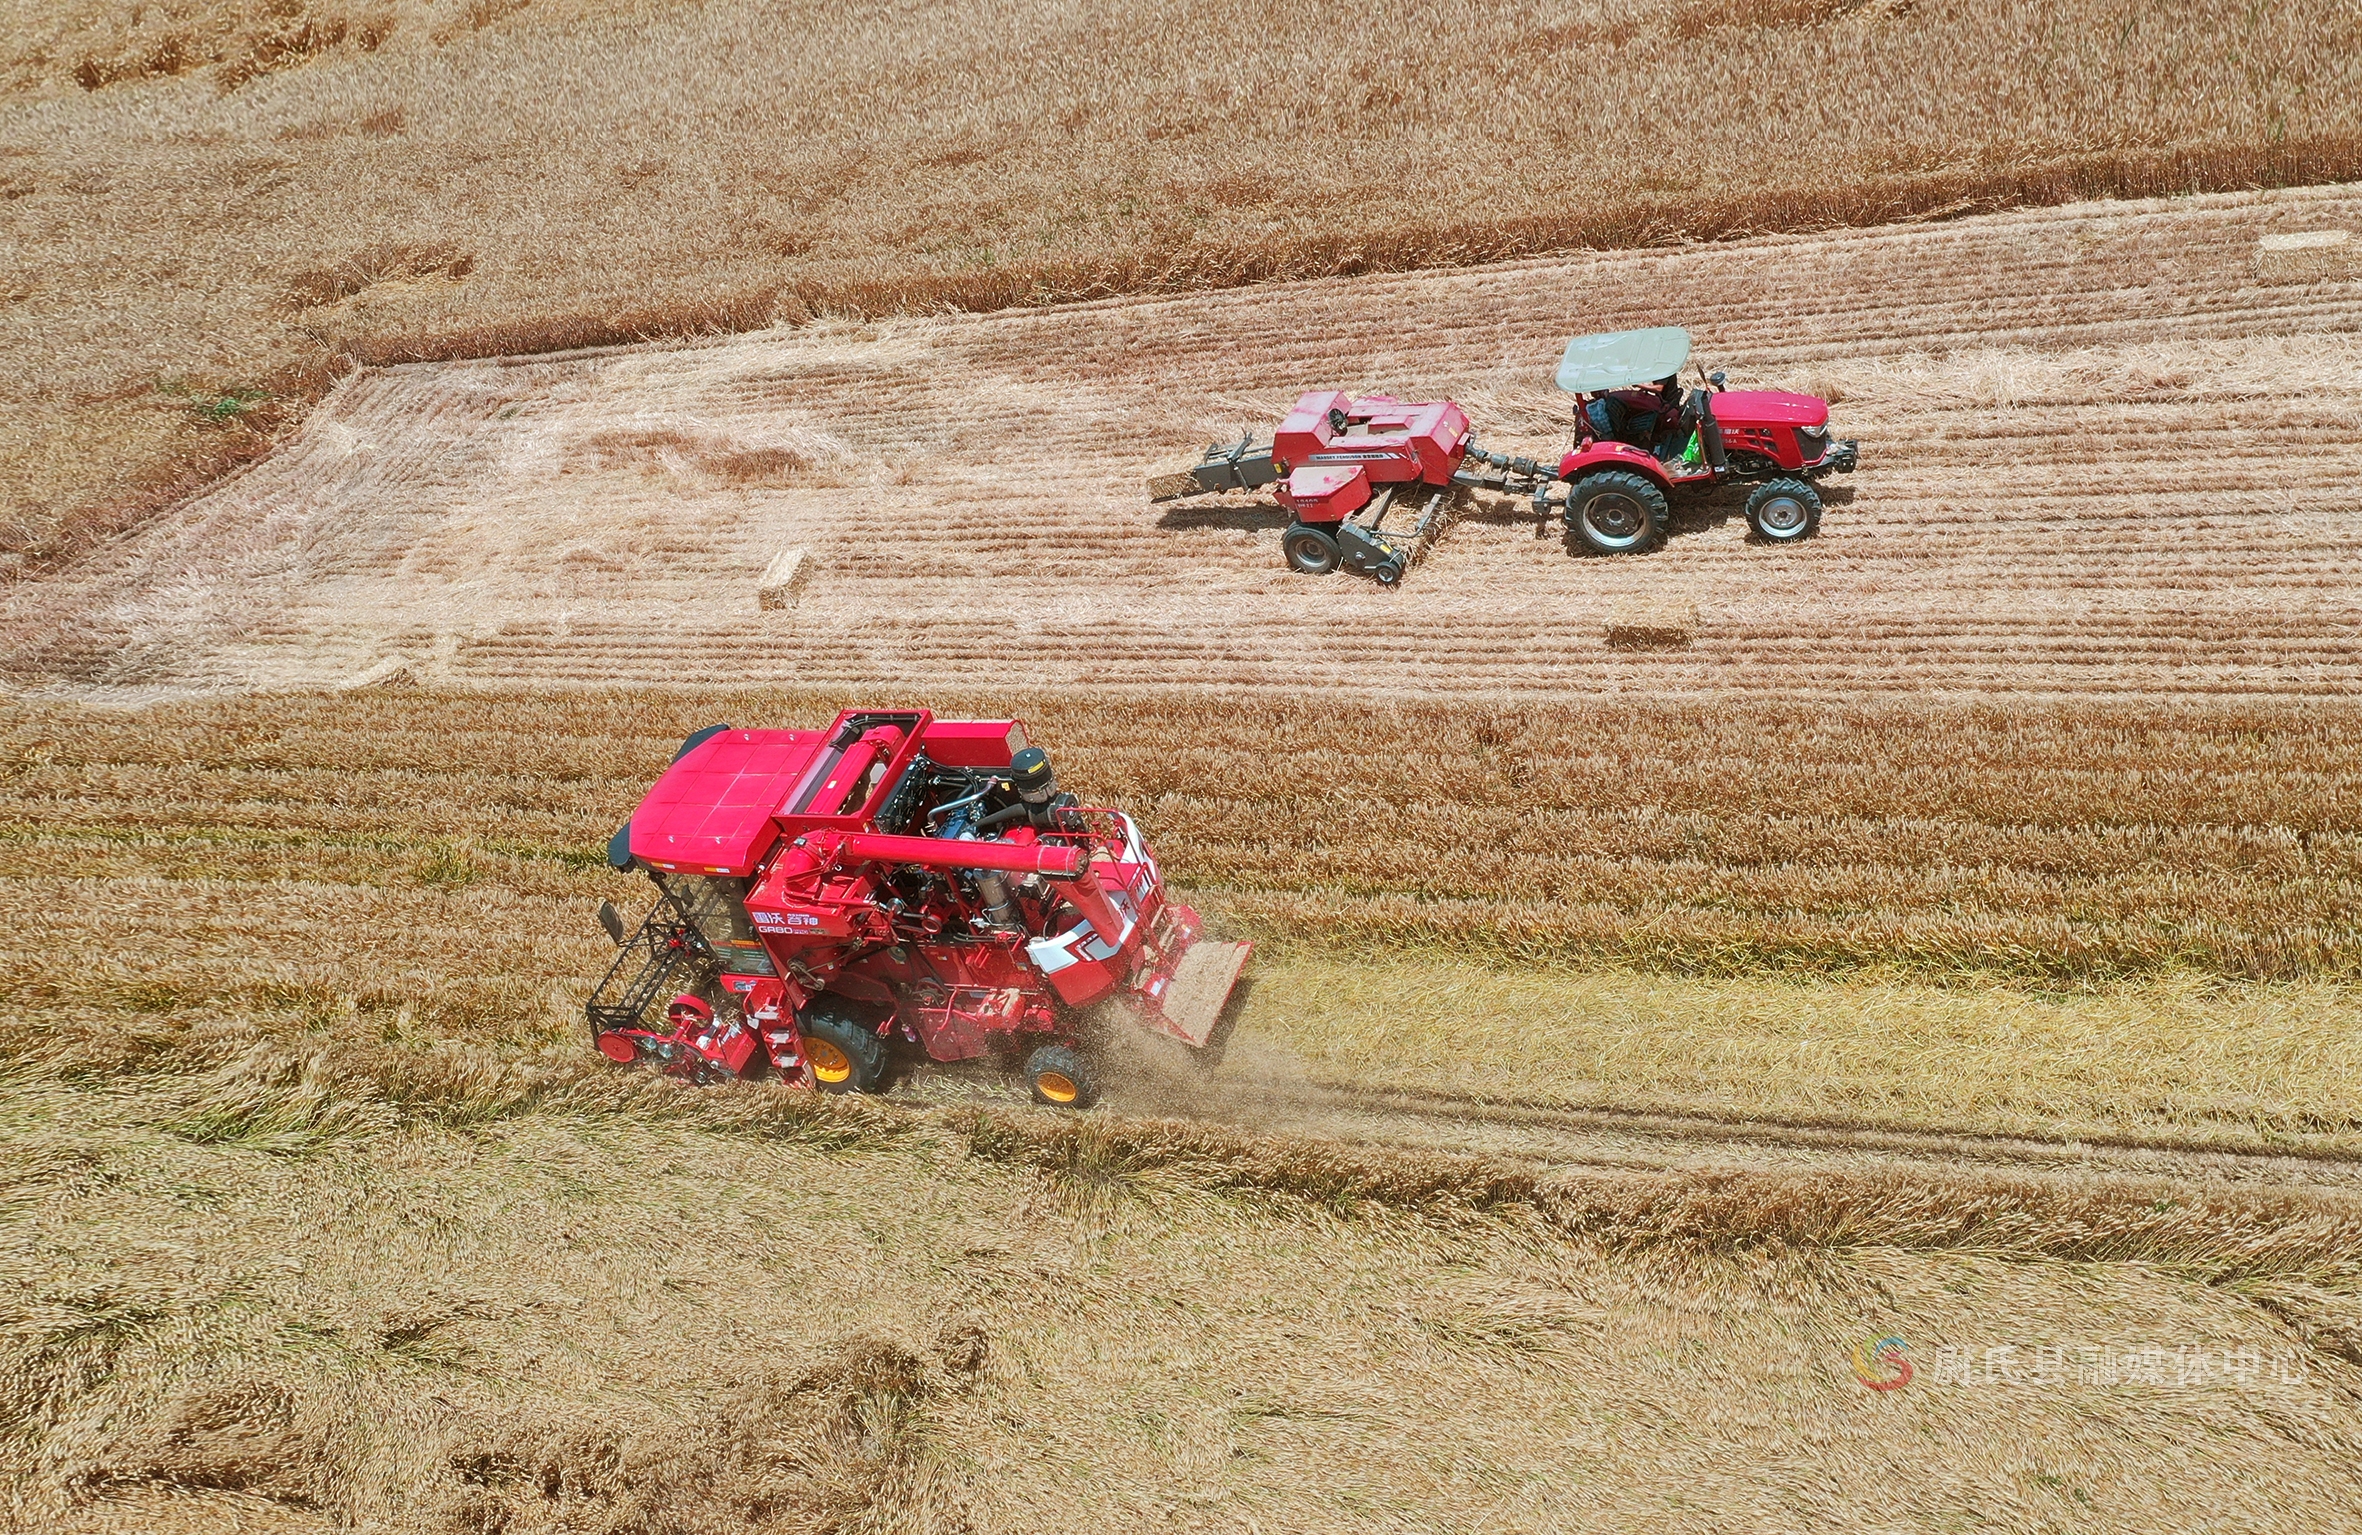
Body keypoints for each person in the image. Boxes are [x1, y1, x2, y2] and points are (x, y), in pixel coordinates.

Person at [1584, 374, 1685, 453]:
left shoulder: (1665, 370)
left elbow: (1659, 388)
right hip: (1665, 403)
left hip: (1668, 401)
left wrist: (1639, 385)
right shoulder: (1598, 409)